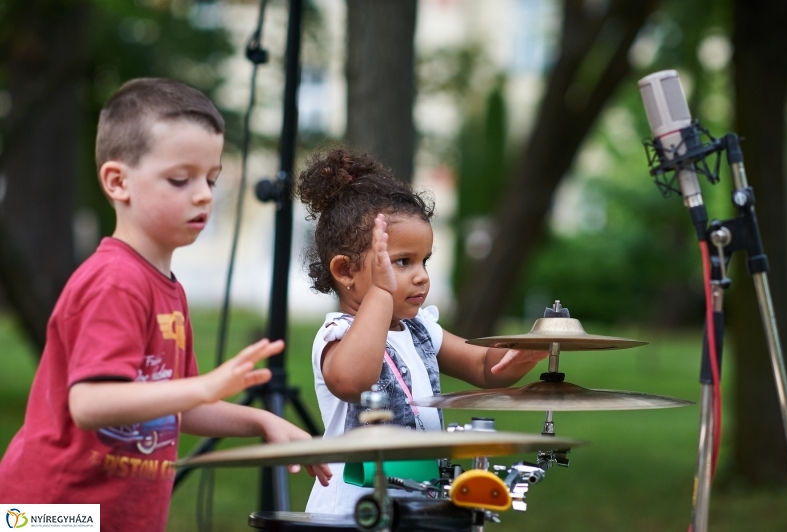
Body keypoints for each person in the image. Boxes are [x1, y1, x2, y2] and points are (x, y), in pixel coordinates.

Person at [0, 78, 331, 531]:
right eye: (181, 179)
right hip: (48, 512)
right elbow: (90, 403)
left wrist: (260, 420)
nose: (204, 195)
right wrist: (202, 387)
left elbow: (177, 406)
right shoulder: (115, 282)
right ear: (118, 182)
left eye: (211, 180)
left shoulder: (167, 287)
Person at [297, 148, 548, 514]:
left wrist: (527, 351)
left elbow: (483, 367)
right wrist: (382, 294)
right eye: (401, 262)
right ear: (346, 271)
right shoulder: (339, 333)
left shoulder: (419, 330)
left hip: (414, 508)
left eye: (424, 261)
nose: (421, 275)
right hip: (351, 513)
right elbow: (354, 381)